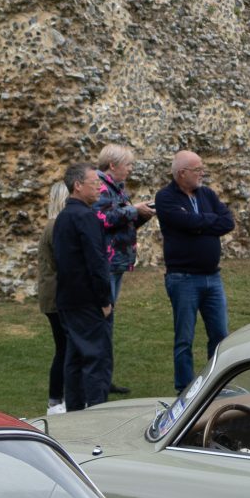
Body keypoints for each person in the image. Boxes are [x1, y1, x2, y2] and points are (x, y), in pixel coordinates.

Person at [154, 149, 235, 394]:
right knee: (184, 339)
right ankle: (185, 388)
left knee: (220, 335)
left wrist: (199, 221)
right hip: (184, 279)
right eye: (198, 170)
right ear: (182, 173)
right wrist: (205, 222)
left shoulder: (206, 194)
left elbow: (227, 221)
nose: (202, 174)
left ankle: (216, 384)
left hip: (213, 277)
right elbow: (185, 223)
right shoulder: (165, 198)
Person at [50, 161, 115, 411]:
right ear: (78, 186)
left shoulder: (64, 217)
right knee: (96, 359)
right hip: (87, 301)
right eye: (94, 183)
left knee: (74, 358)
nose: (99, 187)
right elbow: (96, 263)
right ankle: (97, 415)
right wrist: (104, 301)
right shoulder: (85, 217)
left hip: (67, 299)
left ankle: (74, 412)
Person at [96, 144, 154, 395]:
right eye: (128, 164)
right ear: (112, 165)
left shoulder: (116, 188)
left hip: (117, 263)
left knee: (108, 320)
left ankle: (103, 379)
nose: (131, 169)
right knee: (102, 319)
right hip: (107, 264)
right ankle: (97, 380)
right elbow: (103, 220)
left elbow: (121, 224)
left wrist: (142, 215)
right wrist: (133, 209)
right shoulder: (99, 186)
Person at [35, 181, 69, 407]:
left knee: (65, 347)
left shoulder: (54, 225)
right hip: (57, 297)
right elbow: (61, 263)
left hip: (54, 295)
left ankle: (59, 395)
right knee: (64, 348)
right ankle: (57, 397)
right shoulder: (56, 226)